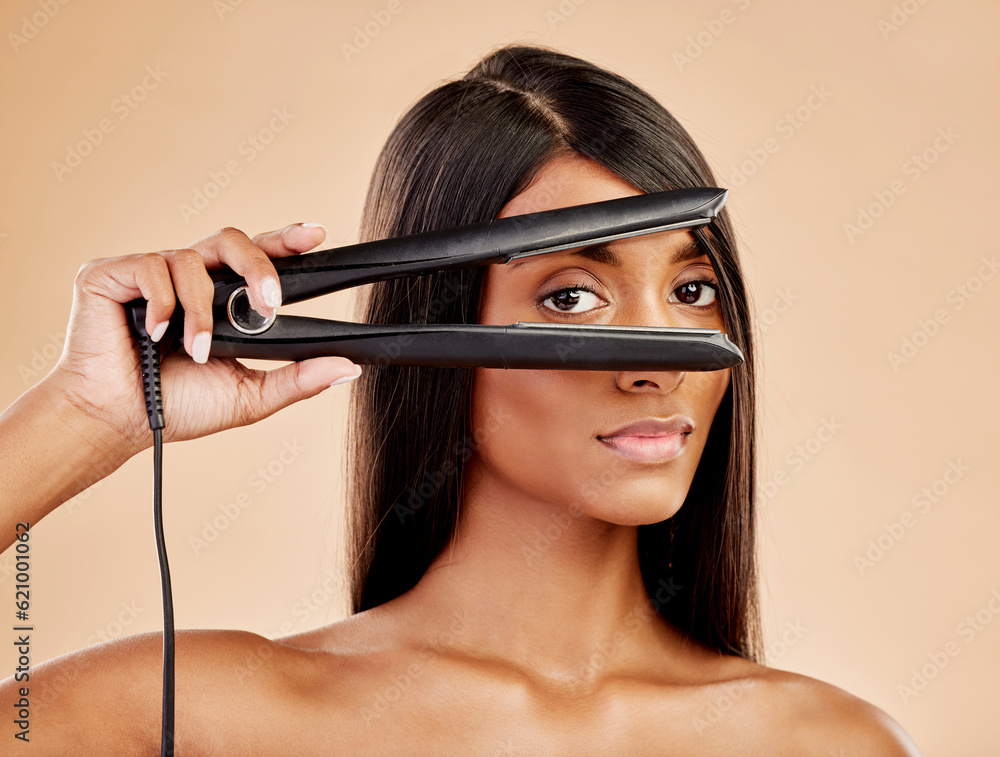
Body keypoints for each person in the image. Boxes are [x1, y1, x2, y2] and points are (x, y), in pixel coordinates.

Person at [0, 45, 920, 754]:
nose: (663, 360)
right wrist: (83, 416)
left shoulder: (826, 742)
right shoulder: (203, 712)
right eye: (570, 296)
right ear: (435, 327)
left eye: (692, 290)